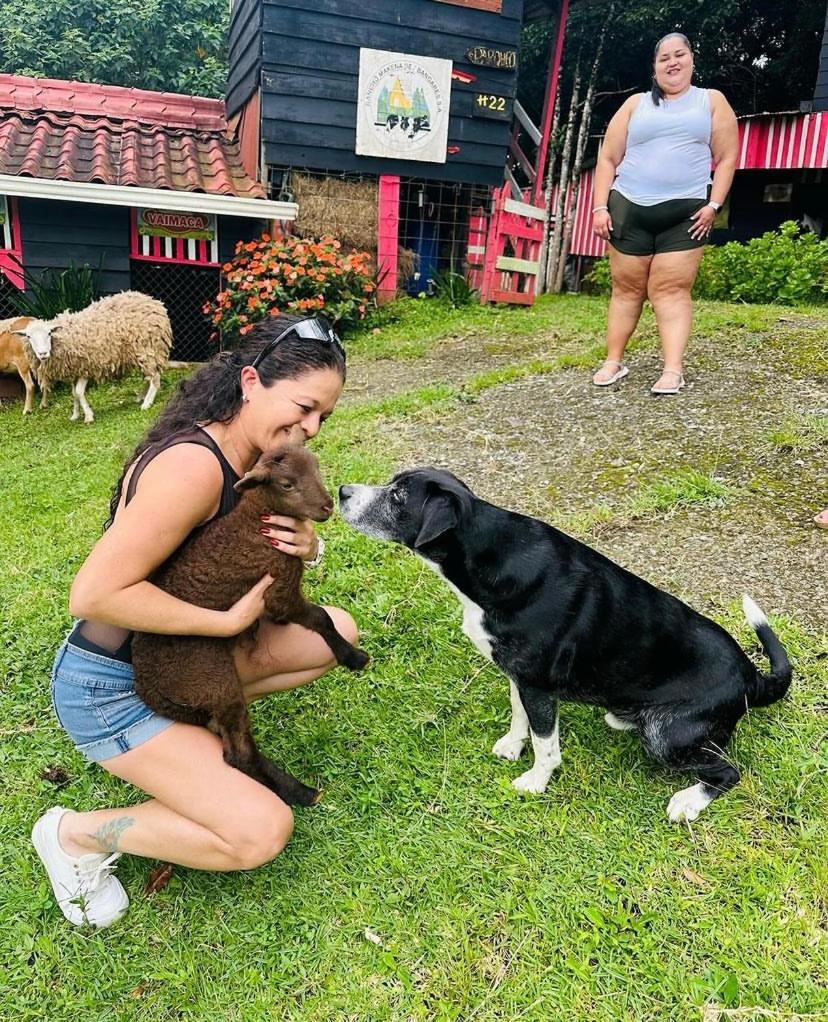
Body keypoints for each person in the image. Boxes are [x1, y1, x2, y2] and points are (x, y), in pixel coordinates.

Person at [32, 314, 358, 928]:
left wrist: (307, 546)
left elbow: (250, 555)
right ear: (252, 381)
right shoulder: (194, 467)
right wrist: (224, 623)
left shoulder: (251, 458)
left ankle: (192, 736)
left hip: (177, 661)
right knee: (259, 831)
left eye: (323, 418)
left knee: (335, 631)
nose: (311, 429)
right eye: (304, 407)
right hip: (109, 687)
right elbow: (93, 595)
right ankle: (75, 835)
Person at [591, 32, 739, 394]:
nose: (673, 63)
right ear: (654, 67)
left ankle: (672, 370)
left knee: (670, 290)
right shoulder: (635, 104)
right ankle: (613, 361)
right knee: (625, 290)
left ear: (691, 59)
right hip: (628, 206)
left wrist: (714, 205)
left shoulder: (711, 101)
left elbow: (727, 157)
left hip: (686, 213)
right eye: (664, 58)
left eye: (680, 55)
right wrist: (598, 207)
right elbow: (608, 158)